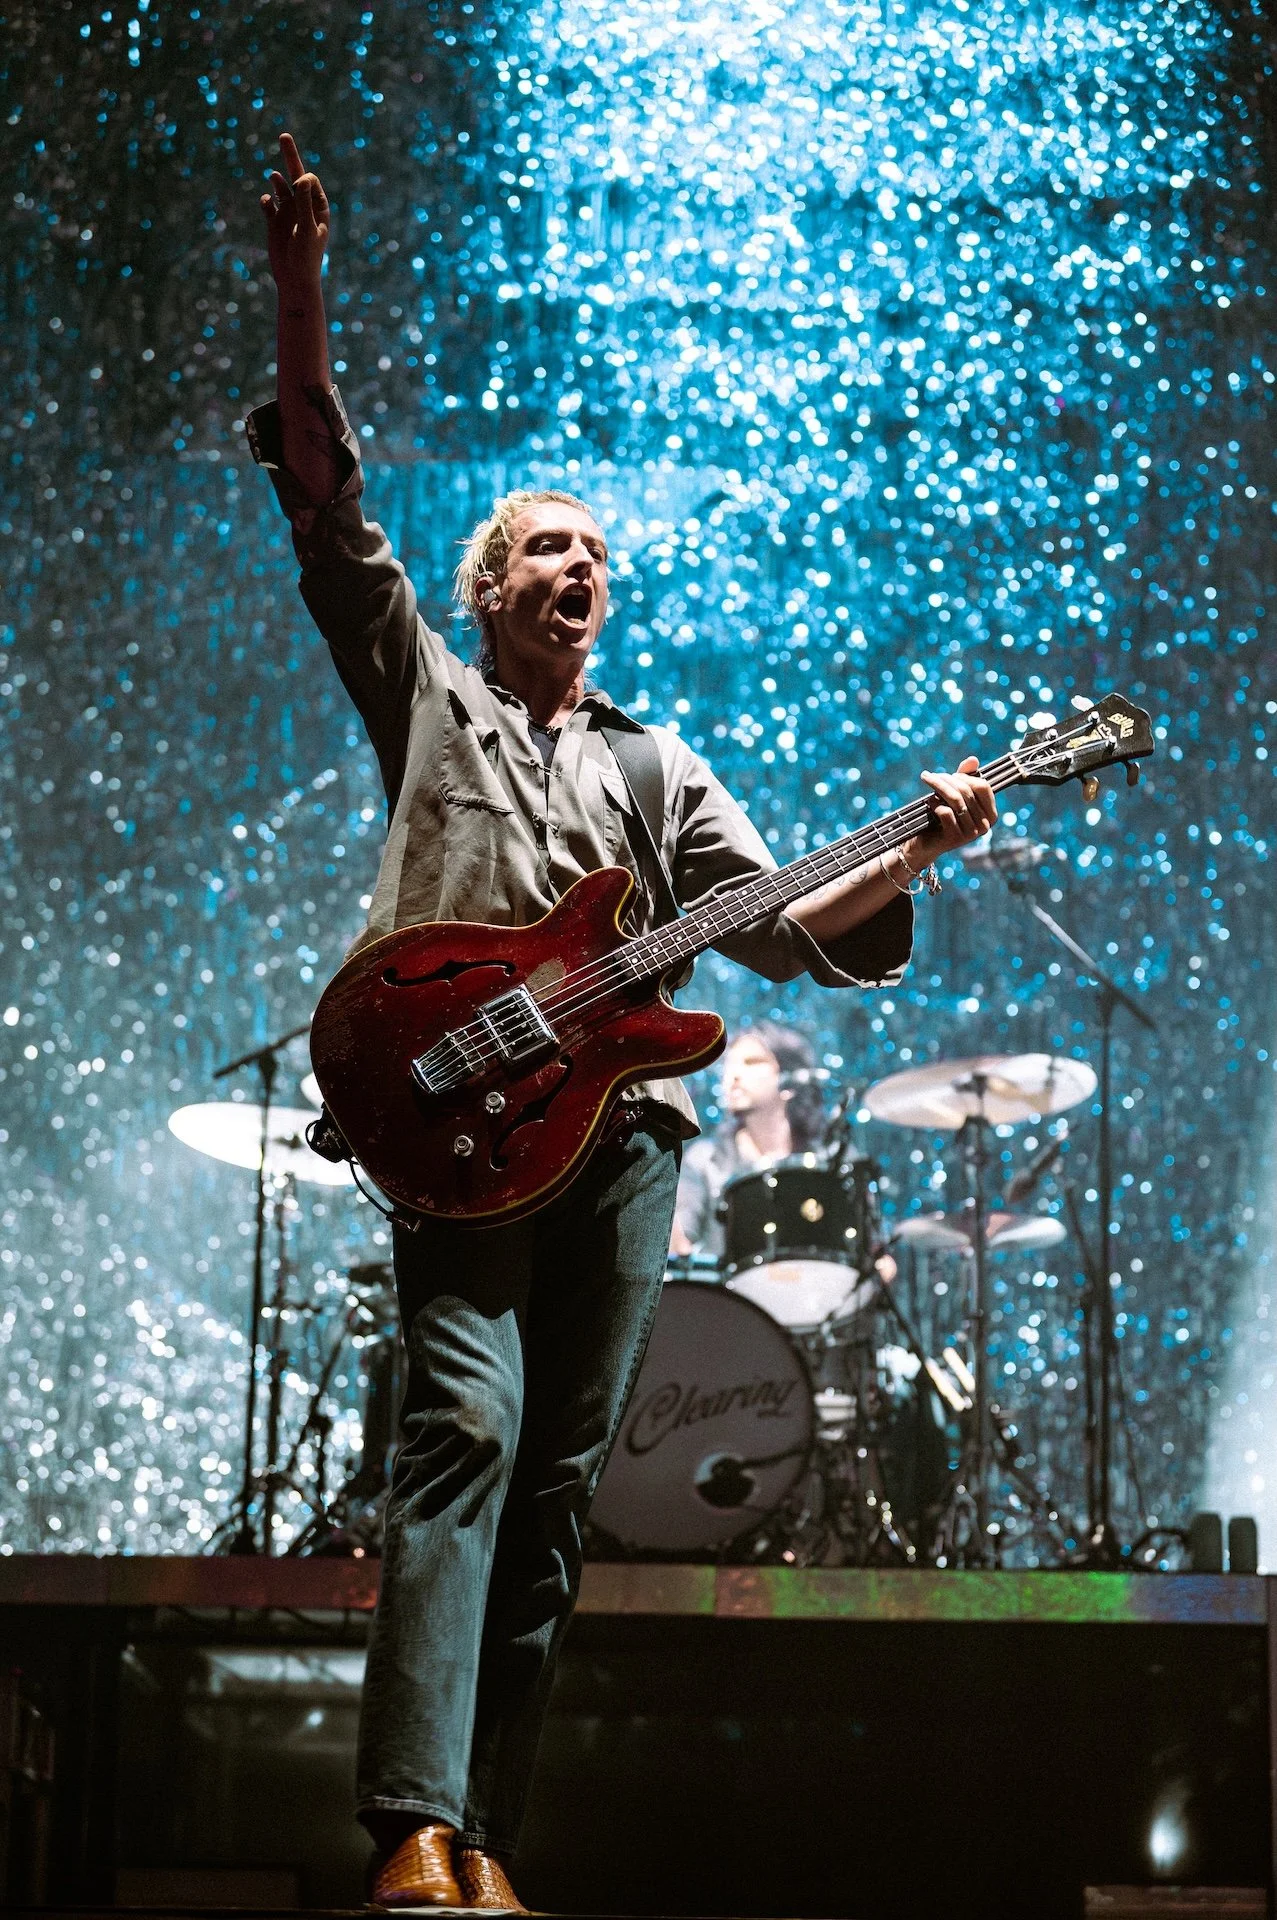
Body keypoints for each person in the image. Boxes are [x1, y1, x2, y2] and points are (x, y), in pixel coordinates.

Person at [247, 131, 998, 1912]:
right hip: (459, 1119)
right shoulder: (429, 694)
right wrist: (299, 290)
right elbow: (328, 511)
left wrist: (919, 849)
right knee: (466, 1431)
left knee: (561, 1485)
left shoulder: (661, 768)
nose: (580, 567)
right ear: (490, 589)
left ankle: (485, 1841)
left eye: (596, 554)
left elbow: (790, 927)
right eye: (547, 549)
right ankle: (408, 1827)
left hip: (626, 1139)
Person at [670, 1021, 826, 1263]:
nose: (733, 1075)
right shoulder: (705, 1160)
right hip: (729, 1287)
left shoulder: (827, 1159)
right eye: (728, 1065)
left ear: (791, 1081)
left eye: (752, 1062)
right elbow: (678, 1246)